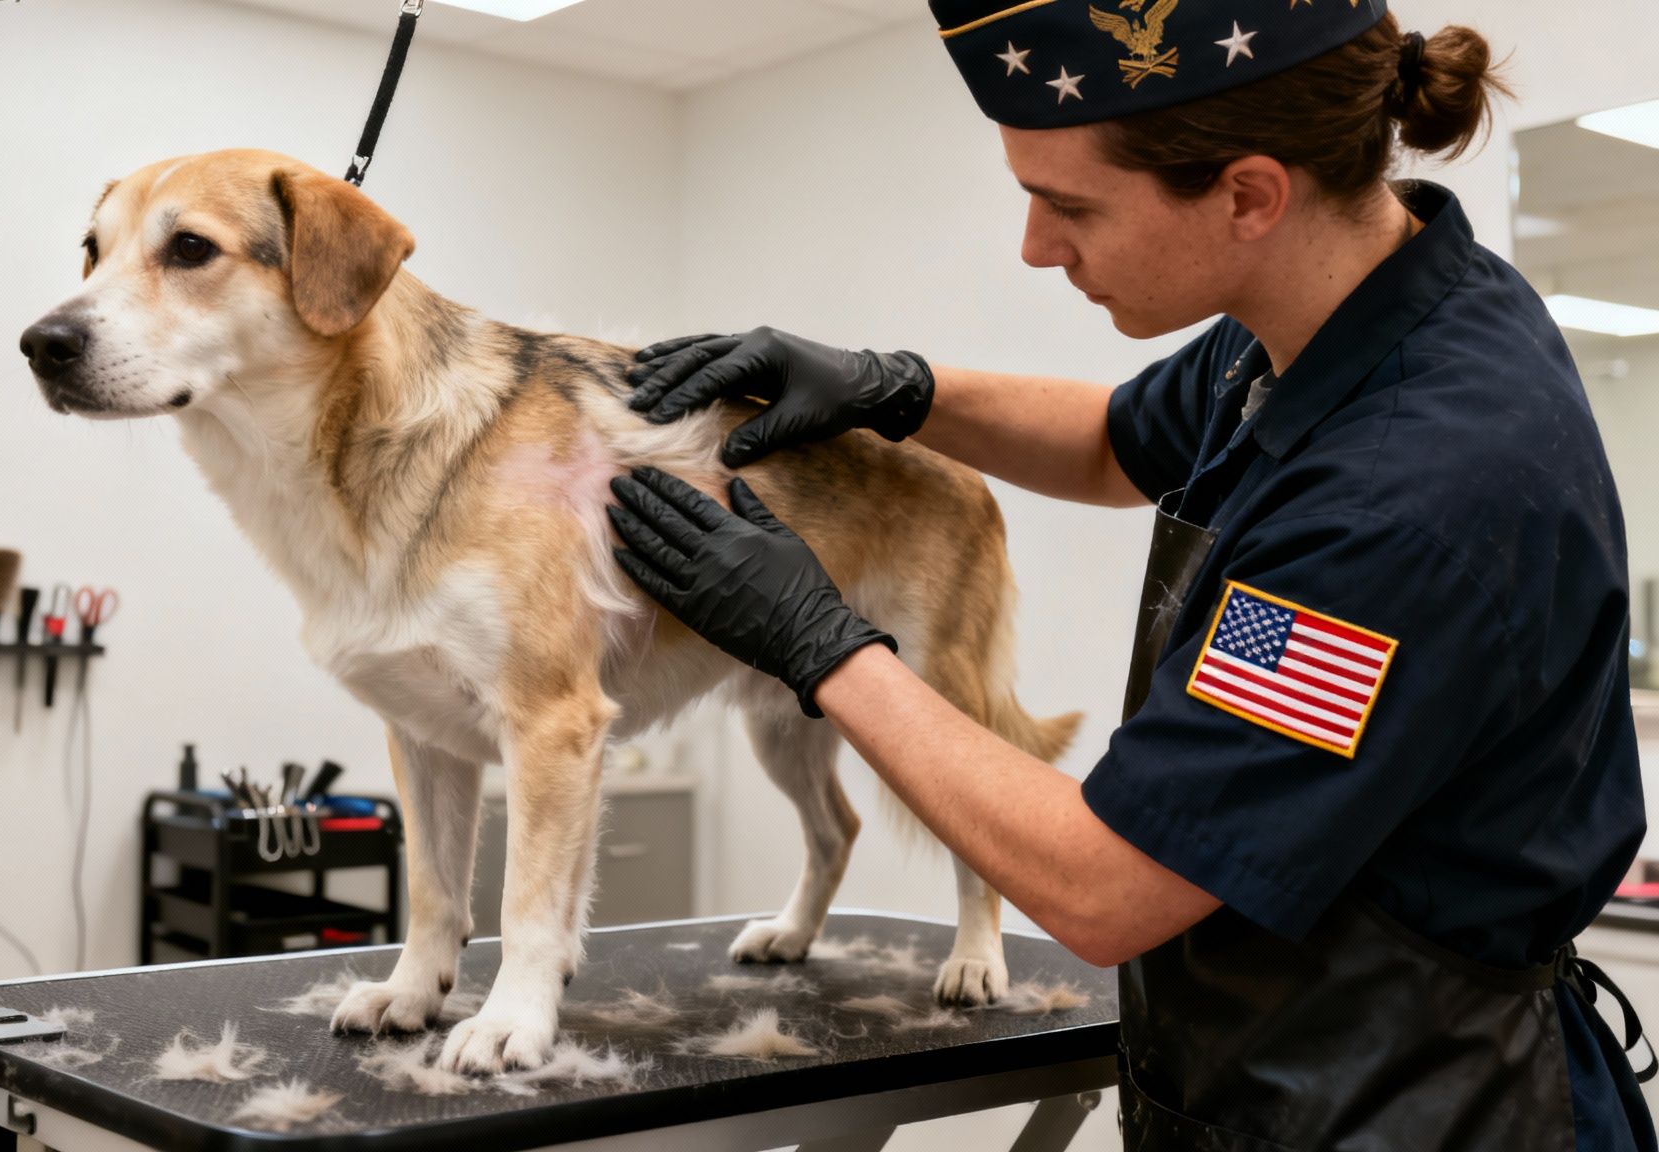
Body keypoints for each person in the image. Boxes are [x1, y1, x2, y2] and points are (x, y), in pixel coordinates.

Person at [605, 1, 1657, 1148]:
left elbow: (1108, 889)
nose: (1034, 247)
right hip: (1267, 1073)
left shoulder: (1399, 503)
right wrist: (891, 385)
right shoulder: (1339, 313)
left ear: (1249, 195)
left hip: (1399, 1109)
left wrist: (819, 647)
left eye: (1067, 207)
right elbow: (1115, 442)